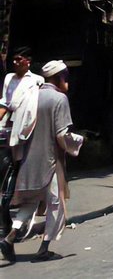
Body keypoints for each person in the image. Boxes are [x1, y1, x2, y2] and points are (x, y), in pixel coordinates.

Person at [0, 60, 82, 264]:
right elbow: (62, 135)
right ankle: (44, 248)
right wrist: (79, 141)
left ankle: (10, 237)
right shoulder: (59, 99)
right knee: (56, 204)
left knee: (30, 202)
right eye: (66, 79)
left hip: (27, 160)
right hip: (50, 161)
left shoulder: (31, 95)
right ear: (60, 78)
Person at [0, 47, 43, 237]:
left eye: (19, 59)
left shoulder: (36, 81)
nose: (15, 62)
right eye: (14, 59)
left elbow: (32, 111)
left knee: (14, 175)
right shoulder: (9, 78)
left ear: (28, 61)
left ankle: (10, 224)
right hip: (6, 131)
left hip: (24, 134)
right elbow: (5, 102)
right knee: (6, 174)